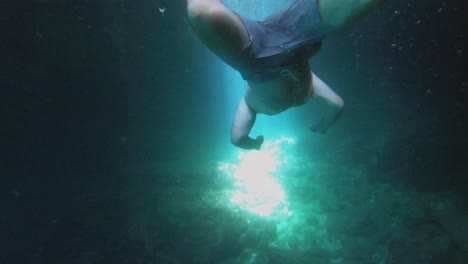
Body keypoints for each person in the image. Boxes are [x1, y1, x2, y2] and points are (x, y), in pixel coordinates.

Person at [187, 0, 384, 150]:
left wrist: (254, 144)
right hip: (292, 36)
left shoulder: (249, 103)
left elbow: (237, 139)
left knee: (202, 12)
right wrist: (323, 125)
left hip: (256, 61)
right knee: (203, 13)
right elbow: (337, 104)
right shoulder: (311, 85)